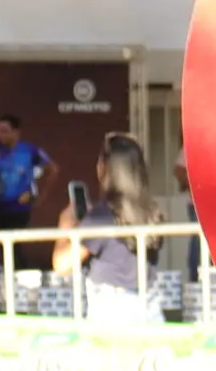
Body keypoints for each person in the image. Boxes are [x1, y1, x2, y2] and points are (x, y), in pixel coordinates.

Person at [54, 132, 161, 324]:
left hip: (111, 314)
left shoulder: (101, 217)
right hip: (150, 310)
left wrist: (65, 226)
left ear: (103, 168)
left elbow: (62, 265)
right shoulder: (153, 211)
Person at [0, 114, 57, 232]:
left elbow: (53, 170)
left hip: (21, 206)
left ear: (16, 132)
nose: (0, 135)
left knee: (16, 240)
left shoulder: (30, 150)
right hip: (1, 206)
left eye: (5, 131)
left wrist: (41, 195)